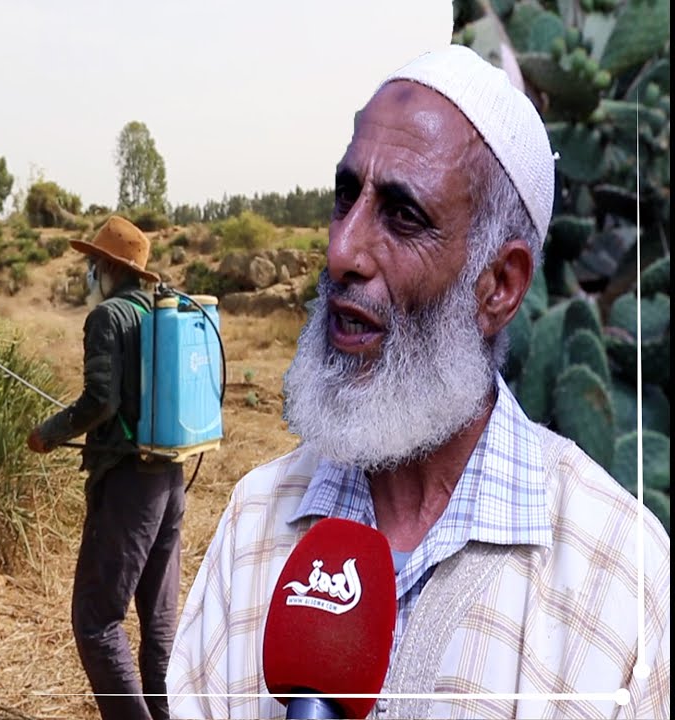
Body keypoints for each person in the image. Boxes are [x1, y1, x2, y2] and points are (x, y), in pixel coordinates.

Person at [166, 45, 670, 720]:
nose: (343, 250)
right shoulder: (255, 520)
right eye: (347, 197)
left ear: (499, 286)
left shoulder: (619, 577)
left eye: (403, 216)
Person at [27, 215, 185, 720]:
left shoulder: (109, 317)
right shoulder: (159, 313)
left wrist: (49, 433)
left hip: (129, 487)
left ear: (108, 267)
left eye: (92, 264)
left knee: (95, 621)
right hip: (170, 477)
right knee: (158, 625)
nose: (89, 274)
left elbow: (100, 401)